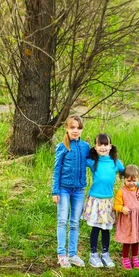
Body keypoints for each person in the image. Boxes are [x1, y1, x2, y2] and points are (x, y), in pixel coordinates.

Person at [51, 115, 90, 268]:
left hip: (79, 190)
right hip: (63, 189)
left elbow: (95, 162)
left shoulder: (85, 146)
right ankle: (61, 254)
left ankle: (72, 254)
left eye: (78, 128)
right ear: (66, 128)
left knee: (74, 222)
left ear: (82, 130)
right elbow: (57, 169)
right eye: (72, 127)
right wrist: (55, 191)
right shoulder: (62, 146)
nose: (75, 130)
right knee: (62, 220)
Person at [82, 134, 125, 268]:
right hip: (95, 199)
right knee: (96, 228)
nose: (103, 147)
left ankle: (105, 254)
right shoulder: (92, 161)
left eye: (105, 144)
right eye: (99, 145)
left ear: (110, 146)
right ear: (95, 147)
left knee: (106, 229)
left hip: (108, 201)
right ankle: (93, 255)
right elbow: (79, 159)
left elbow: (128, 175)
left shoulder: (115, 162)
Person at [114, 164, 139, 270]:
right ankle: (125, 258)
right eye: (129, 181)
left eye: (134, 181)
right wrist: (122, 209)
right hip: (127, 220)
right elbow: (116, 205)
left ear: (138, 179)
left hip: (137, 220)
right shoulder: (121, 191)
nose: (131, 183)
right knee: (127, 240)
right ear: (123, 179)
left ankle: (135, 258)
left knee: (136, 239)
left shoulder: (138, 190)